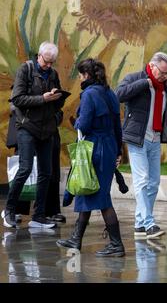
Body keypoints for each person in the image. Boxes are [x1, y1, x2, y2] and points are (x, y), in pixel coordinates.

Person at [115, 52, 167, 239]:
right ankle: (149, 223)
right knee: (142, 180)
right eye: (162, 72)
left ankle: (139, 223)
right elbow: (119, 95)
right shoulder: (136, 78)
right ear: (152, 66)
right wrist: (144, 84)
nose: (164, 76)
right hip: (137, 138)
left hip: (156, 138)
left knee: (154, 182)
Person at [56, 58, 125, 257]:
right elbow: (116, 126)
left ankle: (116, 244)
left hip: (94, 149)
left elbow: (84, 125)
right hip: (109, 146)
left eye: (80, 75)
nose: (79, 78)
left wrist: (76, 123)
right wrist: (118, 151)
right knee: (88, 191)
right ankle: (75, 239)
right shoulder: (110, 93)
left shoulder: (88, 95)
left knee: (101, 197)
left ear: (86, 75)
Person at [2, 41, 65, 229]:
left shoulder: (53, 74)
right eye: (46, 62)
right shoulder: (26, 70)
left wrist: (57, 97)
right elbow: (17, 99)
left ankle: (39, 216)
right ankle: (9, 210)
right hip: (27, 127)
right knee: (25, 168)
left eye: (52, 62)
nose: (49, 66)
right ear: (39, 56)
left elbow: (57, 102)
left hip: (46, 130)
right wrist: (42, 98)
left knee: (46, 172)